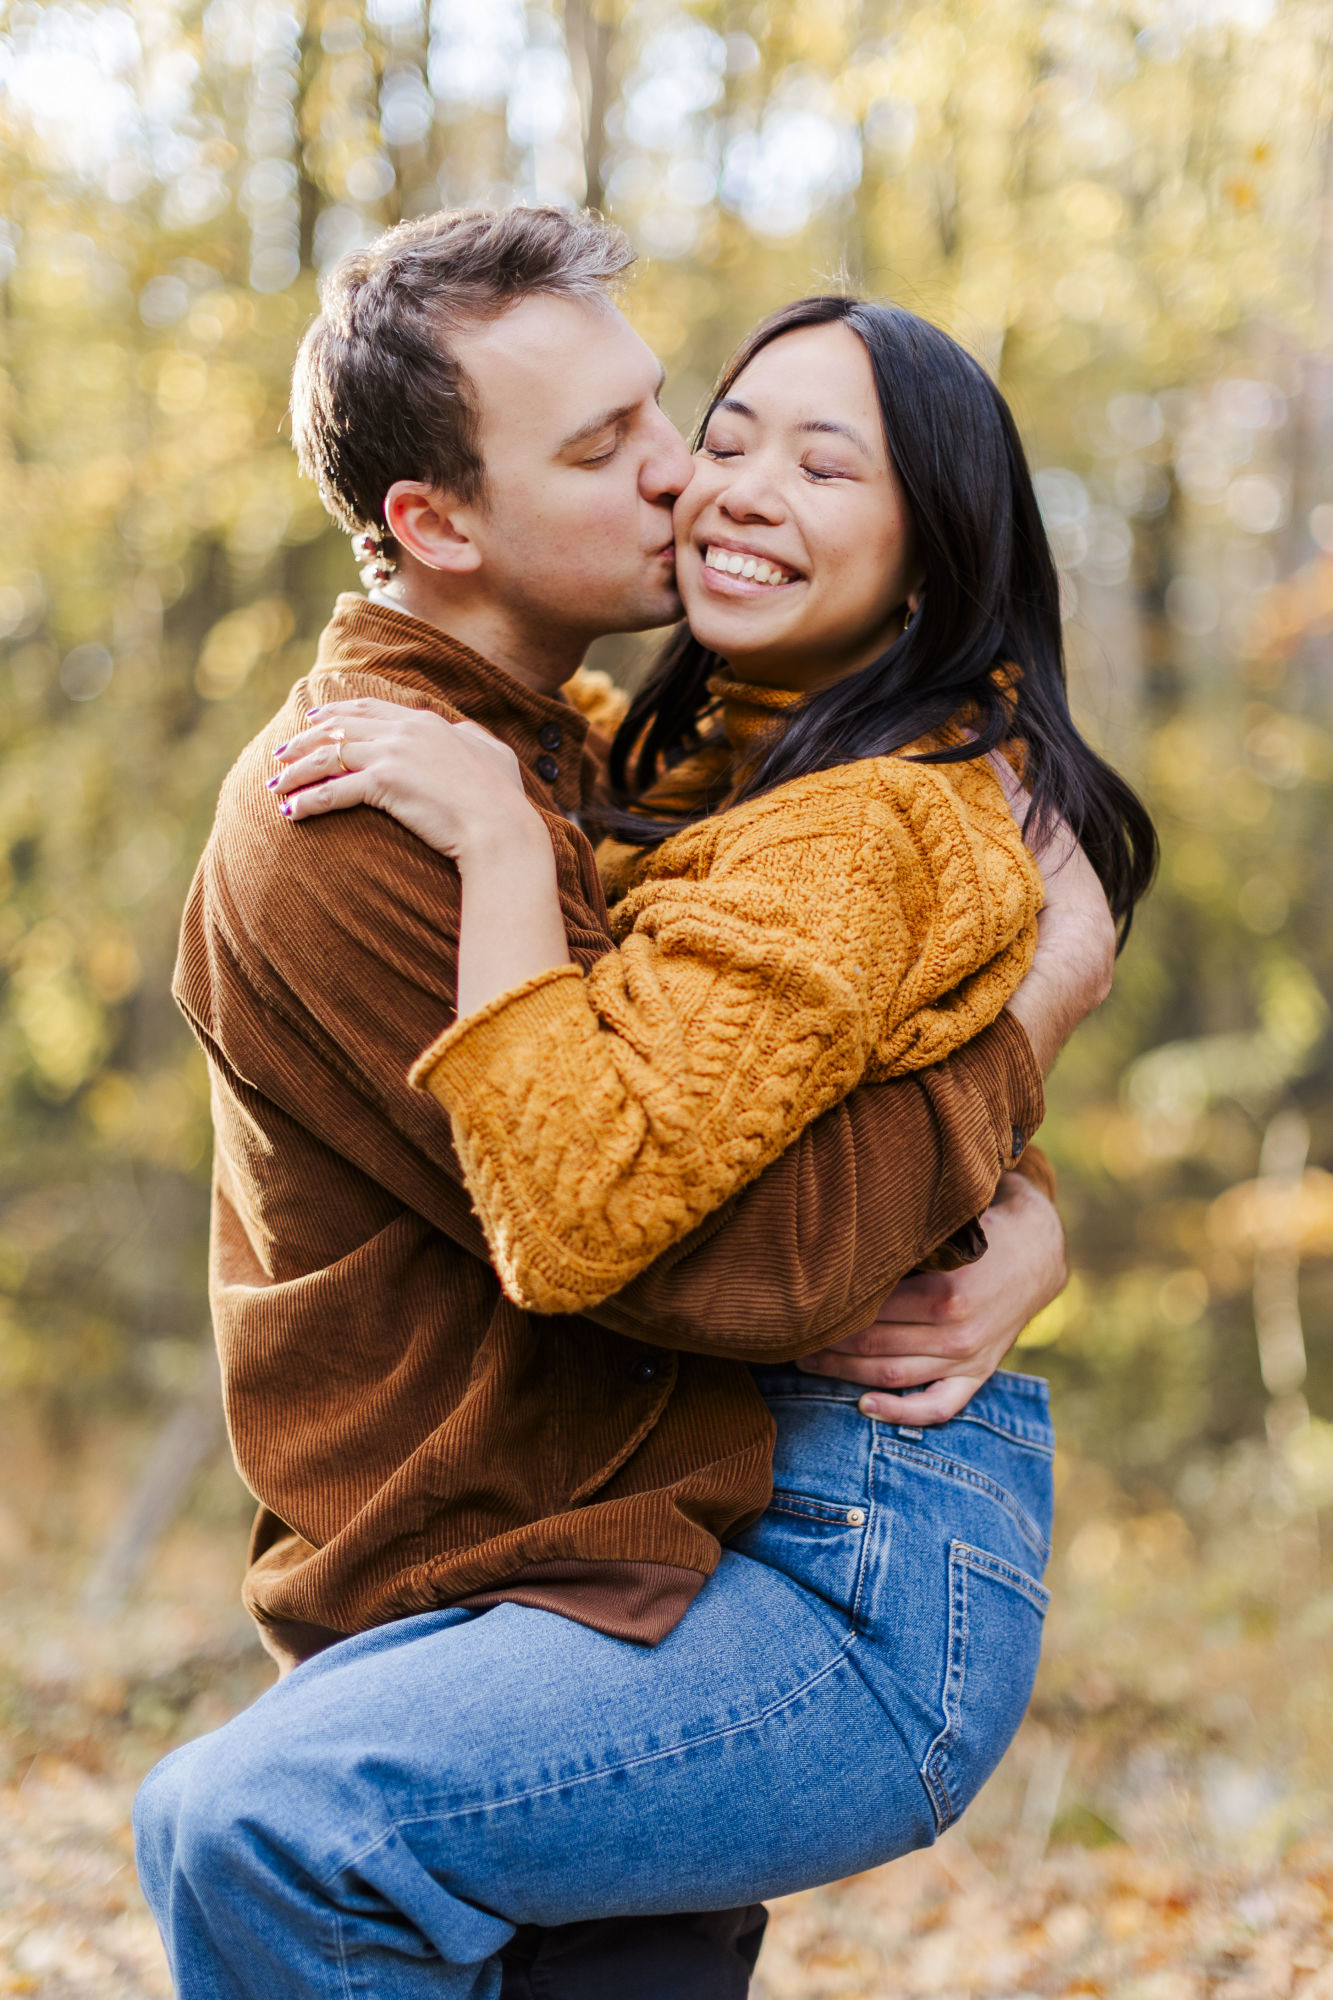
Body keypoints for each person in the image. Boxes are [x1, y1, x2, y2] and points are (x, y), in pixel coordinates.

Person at [135, 207, 1125, 2000]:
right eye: (623, 447)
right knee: (257, 1828)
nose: (686, 481)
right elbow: (682, 1252)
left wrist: (1021, 1203)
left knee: (266, 1832)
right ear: (433, 524)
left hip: (671, 1549)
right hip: (542, 1564)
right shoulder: (364, 816)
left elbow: (792, 1081)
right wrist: (1028, 1036)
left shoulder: (582, 759)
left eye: (674, 413)